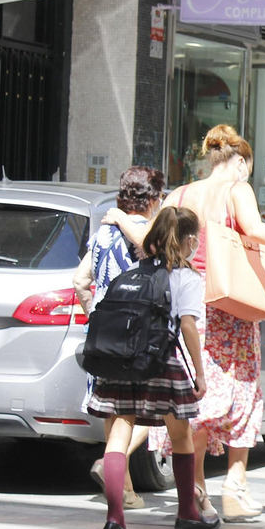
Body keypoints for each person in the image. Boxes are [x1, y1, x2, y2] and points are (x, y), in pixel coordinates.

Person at [129, 126, 265, 523]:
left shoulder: (180, 194)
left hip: (189, 307)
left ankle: (200, 487)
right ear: (240, 162)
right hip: (230, 311)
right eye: (248, 167)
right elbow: (254, 230)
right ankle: (235, 485)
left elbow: (150, 243)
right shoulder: (238, 188)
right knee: (240, 393)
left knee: (198, 402)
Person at [87, 207, 215, 529]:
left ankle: (115, 521)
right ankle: (187, 514)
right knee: (181, 436)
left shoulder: (132, 272)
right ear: (190, 241)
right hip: (161, 363)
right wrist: (200, 374)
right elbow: (187, 325)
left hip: (120, 363)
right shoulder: (187, 277)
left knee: (118, 436)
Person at [76, 166, 163, 511]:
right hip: (140, 335)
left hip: (104, 335)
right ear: (154, 200)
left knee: (114, 411)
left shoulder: (103, 234)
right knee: (158, 411)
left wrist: (96, 315)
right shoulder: (148, 231)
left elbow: (80, 280)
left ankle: (123, 490)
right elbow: (153, 249)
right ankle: (113, 463)